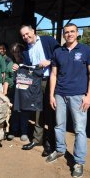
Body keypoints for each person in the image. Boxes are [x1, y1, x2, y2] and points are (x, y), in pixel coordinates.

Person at [46, 23, 90, 178]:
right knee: (59, 125)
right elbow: (53, 75)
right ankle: (60, 150)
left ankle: (79, 161)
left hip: (79, 95)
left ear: (77, 33)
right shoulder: (58, 52)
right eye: (66, 32)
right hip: (60, 94)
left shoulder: (87, 50)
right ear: (63, 34)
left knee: (79, 129)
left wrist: (89, 96)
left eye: (72, 31)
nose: (69, 34)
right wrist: (51, 95)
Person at [13, 25, 59, 157]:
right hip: (36, 82)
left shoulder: (48, 40)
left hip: (50, 80)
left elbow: (60, 54)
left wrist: (49, 61)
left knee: (50, 112)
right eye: (23, 35)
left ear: (33, 31)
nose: (26, 37)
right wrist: (18, 66)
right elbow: (28, 68)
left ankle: (50, 143)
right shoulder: (26, 50)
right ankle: (37, 140)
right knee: (38, 111)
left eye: (27, 34)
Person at [6, 43, 31, 142]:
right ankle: (13, 131)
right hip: (13, 92)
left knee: (24, 112)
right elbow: (7, 79)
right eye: (15, 52)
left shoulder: (27, 64)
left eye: (19, 52)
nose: (17, 54)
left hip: (25, 92)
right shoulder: (10, 65)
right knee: (14, 112)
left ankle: (24, 132)